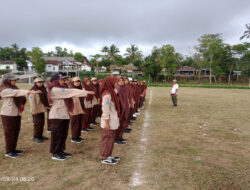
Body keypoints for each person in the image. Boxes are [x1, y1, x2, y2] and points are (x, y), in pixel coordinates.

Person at [47, 74, 95, 161]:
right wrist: (86, 92)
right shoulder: (55, 89)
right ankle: (55, 153)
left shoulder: (62, 88)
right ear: (56, 81)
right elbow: (70, 92)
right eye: (61, 80)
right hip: (57, 116)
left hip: (64, 115)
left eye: (64, 79)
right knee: (57, 135)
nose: (64, 81)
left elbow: (69, 92)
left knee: (63, 135)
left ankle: (61, 151)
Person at [0, 73, 41, 158]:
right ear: (7, 80)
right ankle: (9, 151)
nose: (15, 81)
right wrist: (29, 91)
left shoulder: (14, 87)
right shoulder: (4, 89)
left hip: (16, 113)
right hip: (8, 114)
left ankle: (13, 149)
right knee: (9, 132)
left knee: (15, 131)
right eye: (13, 80)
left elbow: (18, 93)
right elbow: (16, 93)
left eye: (15, 80)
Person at [99, 76, 121, 165]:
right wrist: (107, 123)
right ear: (110, 82)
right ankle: (104, 156)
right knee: (107, 138)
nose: (117, 84)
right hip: (109, 121)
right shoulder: (107, 95)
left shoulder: (111, 92)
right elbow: (105, 110)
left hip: (113, 120)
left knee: (111, 138)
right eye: (115, 82)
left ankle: (109, 154)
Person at [29, 78, 50, 143]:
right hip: (36, 111)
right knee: (37, 124)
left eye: (41, 82)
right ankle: (36, 137)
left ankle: (40, 135)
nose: (40, 84)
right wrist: (34, 111)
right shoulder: (33, 91)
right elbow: (32, 102)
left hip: (41, 110)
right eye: (38, 82)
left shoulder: (43, 90)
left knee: (41, 123)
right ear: (35, 83)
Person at [70, 77, 85, 143]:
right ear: (73, 82)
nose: (77, 83)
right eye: (76, 82)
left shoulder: (80, 88)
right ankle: (74, 137)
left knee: (79, 122)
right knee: (75, 123)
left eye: (78, 81)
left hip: (80, 108)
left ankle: (78, 136)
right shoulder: (71, 90)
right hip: (75, 109)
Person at [115, 77, 129, 145]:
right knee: (118, 125)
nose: (121, 82)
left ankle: (120, 137)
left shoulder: (123, 88)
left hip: (123, 109)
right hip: (119, 110)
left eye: (122, 80)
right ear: (117, 82)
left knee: (122, 125)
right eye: (119, 80)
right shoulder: (117, 89)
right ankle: (116, 139)